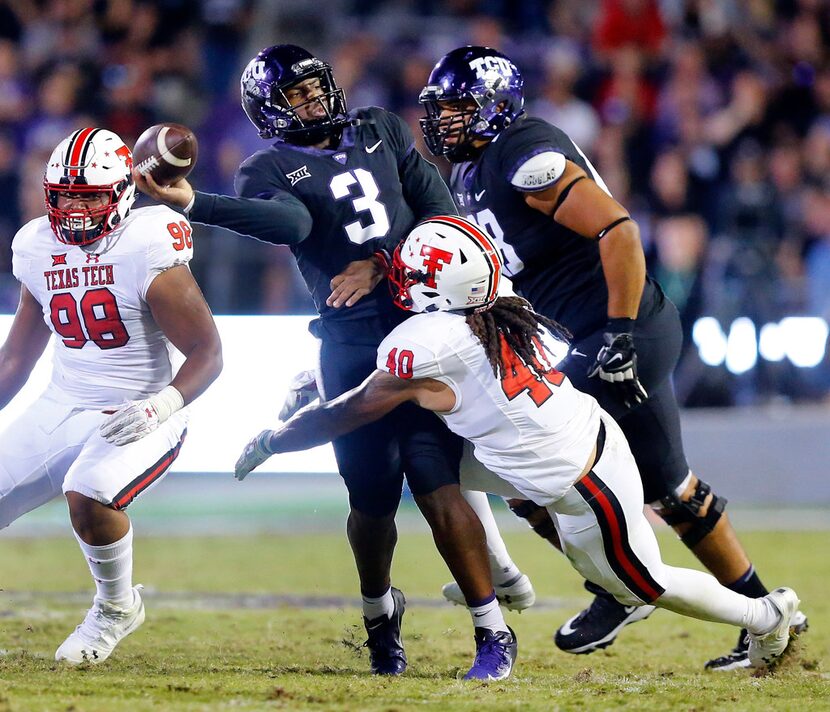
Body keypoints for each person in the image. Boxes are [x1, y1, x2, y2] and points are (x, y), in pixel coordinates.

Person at [233, 215, 800, 673]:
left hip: (579, 477)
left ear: (434, 290)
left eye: (410, 274)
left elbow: (348, 412)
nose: (401, 280)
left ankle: (765, 615)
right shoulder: (490, 295)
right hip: (541, 445)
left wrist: (274, 438)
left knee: (644, 583)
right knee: (435, 462)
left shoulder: (427, 342)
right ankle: (503, 576)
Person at [416, 46, 807, 669]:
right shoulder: (474, 170)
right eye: (442, 110)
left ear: (496, 105)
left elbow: (617, 228)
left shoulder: (523, 149)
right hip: (590, 336)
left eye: (461, 108)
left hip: (622, 332)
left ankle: (619, 588)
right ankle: (758, 612)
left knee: (533, 460)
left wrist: (620, 331)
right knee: (669, 489)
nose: (447, 122)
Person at [135, 44, 515, 679]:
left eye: (316, 87)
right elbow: (287, 222)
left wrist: (382, 262)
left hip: (423, 329)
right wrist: (194, 202)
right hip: (350, 343)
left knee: (435, 480)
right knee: (371, 499)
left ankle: (492, 630)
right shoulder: (268, 166)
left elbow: (443, 214)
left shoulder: (382, 128)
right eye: (296, 95)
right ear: (268, 110)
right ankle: (378, 614)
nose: (313, 100)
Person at [0, 127, 223, 663]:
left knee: (91, 489)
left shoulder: (145, 242)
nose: (75, 208)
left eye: (90, 196)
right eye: (66, 196)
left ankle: (116, 606)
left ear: (122, 192)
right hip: (63, 403)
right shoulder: (36, 245)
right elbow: (17, 356)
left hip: (141, 407)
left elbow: (207, 353)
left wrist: (161, 405)